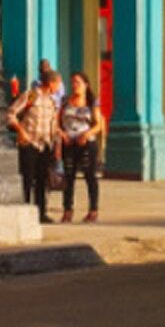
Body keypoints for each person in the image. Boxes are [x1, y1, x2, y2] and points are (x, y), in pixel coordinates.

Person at [9, 61, 62, 224]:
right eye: (58, 84)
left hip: (44, 144)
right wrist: (20, 131)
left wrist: (57, 144)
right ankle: (24, 210)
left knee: (41, 180)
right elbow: (10, 114)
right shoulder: (31, 95)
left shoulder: (53, 103)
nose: (59, 88)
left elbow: (54, 125)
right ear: (51, 83)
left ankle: (41, 212)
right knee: (26, 178)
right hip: (29, 143)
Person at [58, 72, 106, 224]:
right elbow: (57, 122)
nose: (75, 85)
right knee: (68, 177)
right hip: (69, 143)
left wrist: (86, 134)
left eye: (78, 82)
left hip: (86, 143)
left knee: (90, 176)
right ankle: (67, 210)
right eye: (73, 82)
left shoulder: (92, 102)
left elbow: (98, 125)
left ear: (86, 85)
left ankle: (93, 210)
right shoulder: (65, 101)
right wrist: (62, 134)